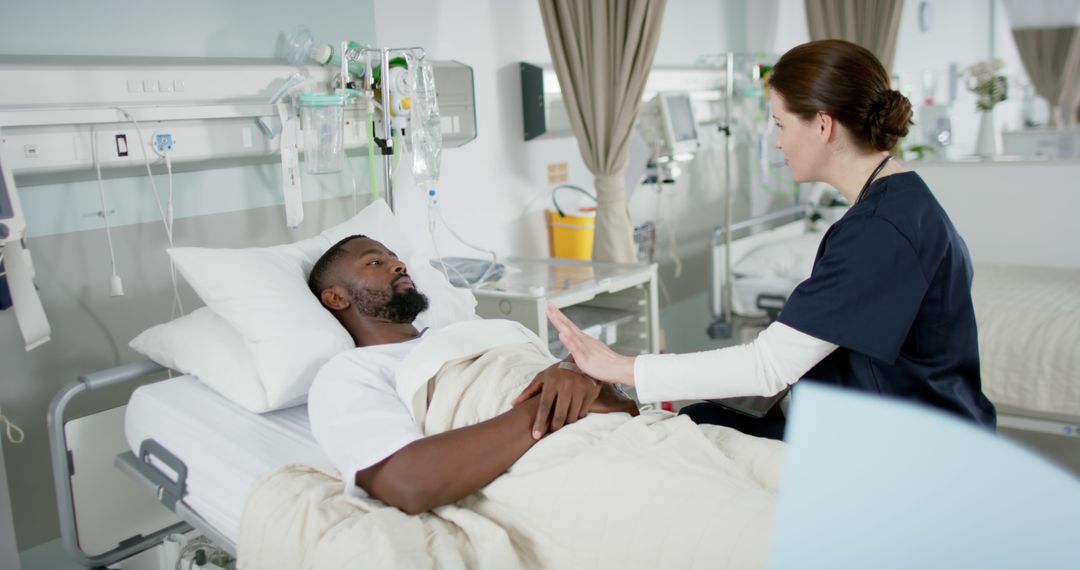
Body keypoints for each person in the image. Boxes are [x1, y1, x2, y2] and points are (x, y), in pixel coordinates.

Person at [541, 39, 997, 439]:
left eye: (780, 124)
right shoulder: (901, 200)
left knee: (692, 430)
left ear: (822, 125)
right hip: (894, 415)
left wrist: (621, 367)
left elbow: (767, 366)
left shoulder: (879, 232)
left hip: (911, 440)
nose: (776, 142)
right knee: (701, 419)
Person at [304, 234, 637, 514]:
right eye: (373, 262)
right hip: (572, 471)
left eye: (394, 257)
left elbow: (618, 404)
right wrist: (546, 408)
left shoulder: (490, 331)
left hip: (632, 436)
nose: (398, 265)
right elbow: (409, 483)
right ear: (336, 298)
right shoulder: (348, 373)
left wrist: (580, 374)